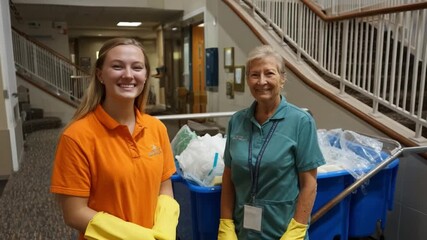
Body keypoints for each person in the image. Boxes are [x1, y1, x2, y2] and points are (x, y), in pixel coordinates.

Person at [50, 38, 179, 240]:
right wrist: (137, 236)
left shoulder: (156, 128)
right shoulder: (76, 137)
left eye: (137, 67)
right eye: (117, 66)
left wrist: (164, 230)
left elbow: (164, 186)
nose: (128, 75)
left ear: (145, 76)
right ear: (100, 74)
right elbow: (74, 213)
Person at [218, 45, 325, 240]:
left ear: (282, 79)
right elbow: (228, 176)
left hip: (283, 231)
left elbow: (309, 183)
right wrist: (225, 224)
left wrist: (297, 229)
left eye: (269, 73)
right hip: (243, 231)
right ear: (247, 80)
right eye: (254, 75)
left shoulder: (300, 121)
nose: (262, 81)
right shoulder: (237, 121)